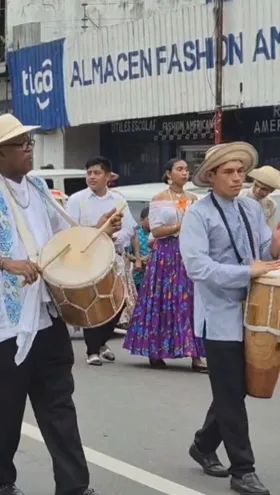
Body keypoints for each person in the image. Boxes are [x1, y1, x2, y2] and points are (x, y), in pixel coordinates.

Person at [0, 114, 101, 495]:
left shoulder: (40, 187)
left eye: (29, 142)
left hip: (47, 316)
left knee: (60, 407)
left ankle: (74, 486)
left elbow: (62, 239)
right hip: (3, 326)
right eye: (21, 144)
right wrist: (3, 261)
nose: (29, 148)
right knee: (3, 415)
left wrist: (99, 234)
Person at [180, 142, 280, 495]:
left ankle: (204, 444)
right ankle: (243, 470)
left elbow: (267, 250)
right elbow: (197, 267)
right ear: (211, 176)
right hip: (218, 315)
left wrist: (277, 241)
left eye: (241, 171)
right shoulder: (198, 214)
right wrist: (246, 271)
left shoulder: (252, 208)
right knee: (232, 394)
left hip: (251, 312)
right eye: (229, 172)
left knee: (236, 389)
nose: (238, 178)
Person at [123, 158, 205, 370]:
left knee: (189, 301)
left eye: (187, 169)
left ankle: (195, 354)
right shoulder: (159, 199)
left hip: (188, 252)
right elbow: (156, 231)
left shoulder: (194, 198)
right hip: (166, 255)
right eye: (179, 169)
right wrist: (180, 225)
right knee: (162, 300)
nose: (184, 173)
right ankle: (155, 349)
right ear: (169, 174)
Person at [65, 156, 135, 366]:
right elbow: (71, 229)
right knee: (92, 301)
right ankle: (92, 350)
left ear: (108, 177)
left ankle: (102, 341)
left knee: (118, 302)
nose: (92, 177)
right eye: (89, 173)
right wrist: (98, 234)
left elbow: (130, 228)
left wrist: (116, 238)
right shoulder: (77, 200)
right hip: (89, 256)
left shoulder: (118, 201)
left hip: (113, 256)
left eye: (97, 173)